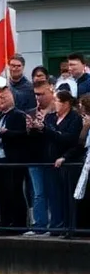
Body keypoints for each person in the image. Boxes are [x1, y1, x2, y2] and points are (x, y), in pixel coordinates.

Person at [0, 75, 30, 235]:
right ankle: (5, 224)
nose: (0, 101)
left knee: (15, 192)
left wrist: (6, 132)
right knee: (1, 193)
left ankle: (18, 225)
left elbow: (22, 135)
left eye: (3, 98)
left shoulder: (18, 115)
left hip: (13, 160)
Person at [42, 89, 83, 234]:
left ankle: (67, 226)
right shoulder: (51, 117)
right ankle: (55, 225)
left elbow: (70, 139)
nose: (55, 103)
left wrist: (50, 132)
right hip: (50, 160)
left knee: (65, 196)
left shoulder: (74, 118)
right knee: (52, 195)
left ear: (66, 103)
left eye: (57, 101)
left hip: (66, 162)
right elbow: (46, 134)